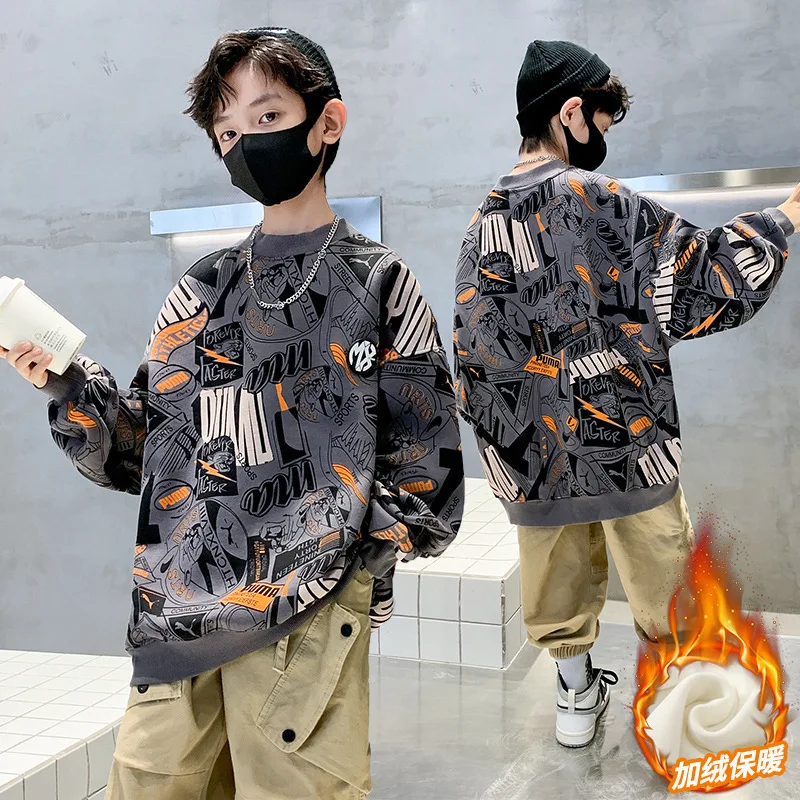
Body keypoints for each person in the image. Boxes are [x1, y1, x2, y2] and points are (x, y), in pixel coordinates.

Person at [2, 27, 464, 798]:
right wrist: (66, 384)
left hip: (305, 617)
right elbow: (145, 451)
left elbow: (427, 471)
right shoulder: (201, 289)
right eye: (227, 131)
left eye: (267, 117)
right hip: (175, 618)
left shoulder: (380, 283)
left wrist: (353, 558)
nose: (246, 142)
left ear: (328, 122)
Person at [453, 39, 799, 749]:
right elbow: (698, 278)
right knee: (665, 584)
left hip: (534, 457)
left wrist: (507, 457)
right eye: (601, 124)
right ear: (570, 112)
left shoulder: (481, 223)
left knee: (555, 590)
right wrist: (786, 216)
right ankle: (682, 716)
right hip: (628, 443)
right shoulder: (599, 202)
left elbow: (475, 353)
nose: (601, 140)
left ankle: (575, 698)